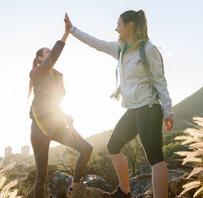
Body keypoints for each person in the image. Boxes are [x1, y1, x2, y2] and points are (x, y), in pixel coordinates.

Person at [64, 10, 174, 198]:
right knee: (113, 145)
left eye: (119, 25)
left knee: (155, 157)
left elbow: (160, 81)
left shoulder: (148, 50)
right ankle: (125, 192)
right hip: (132, 109)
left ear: (129, 25)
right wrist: (73, 30)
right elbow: (96, 43)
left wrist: (168, 110)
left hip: (149, 108)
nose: (116, 29)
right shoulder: (120, 49)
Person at [28, 23, 92, 198]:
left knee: (86, 148)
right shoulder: (36, 73)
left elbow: (62, 103)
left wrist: (70, 125)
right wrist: (65, 35)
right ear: (40, 58)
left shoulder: (58, 78)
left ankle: (73, 188)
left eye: (50, 51)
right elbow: (53, 57)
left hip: (56, 125)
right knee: (41, 176)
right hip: (39, 129)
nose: (50, 55)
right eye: (47, 52)